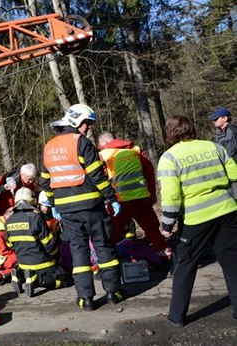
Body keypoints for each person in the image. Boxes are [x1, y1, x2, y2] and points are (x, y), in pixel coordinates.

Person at [40, 104, 123, 311]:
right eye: (87, 123)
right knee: (103, 246)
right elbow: (97, 175)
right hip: (92, 207)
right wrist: (111, 197)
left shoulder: (49, 146)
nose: (88, 128)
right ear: (78, 122)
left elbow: (44, 181)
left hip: (67, 212)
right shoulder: (81, 142)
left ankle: (85, 299)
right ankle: (113, 292)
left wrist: (53, 203)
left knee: (79, 252)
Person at [157, 115, 237, 328]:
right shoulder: (214, 147)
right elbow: (234, 174)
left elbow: (171, 197)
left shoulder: (169, 157)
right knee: (232, 262)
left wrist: (167, 225)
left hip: (196, 217)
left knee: (186, 264)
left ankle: (177, 316)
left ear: (170, 133)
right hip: (227, 210)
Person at [97, 132, 169, 256]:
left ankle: (108, 262)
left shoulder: (103, 155)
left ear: (104, 143)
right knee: (153, 231)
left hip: (119, 203)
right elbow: (149, 172)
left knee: (111, 234)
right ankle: (164, 256)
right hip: (141, 199)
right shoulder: (135, 151)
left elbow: (99, 179)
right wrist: (152, 194)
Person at [5, 187, 70, 298]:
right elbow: (49, 244)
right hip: (42, 263)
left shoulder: (9, 220)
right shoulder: (36, 217)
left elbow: (9, 245)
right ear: (32, 201)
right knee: (65, 280)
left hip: (22, 263)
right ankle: (38, 280)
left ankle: (20, 275)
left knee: (27, 268)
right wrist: (56, 255)